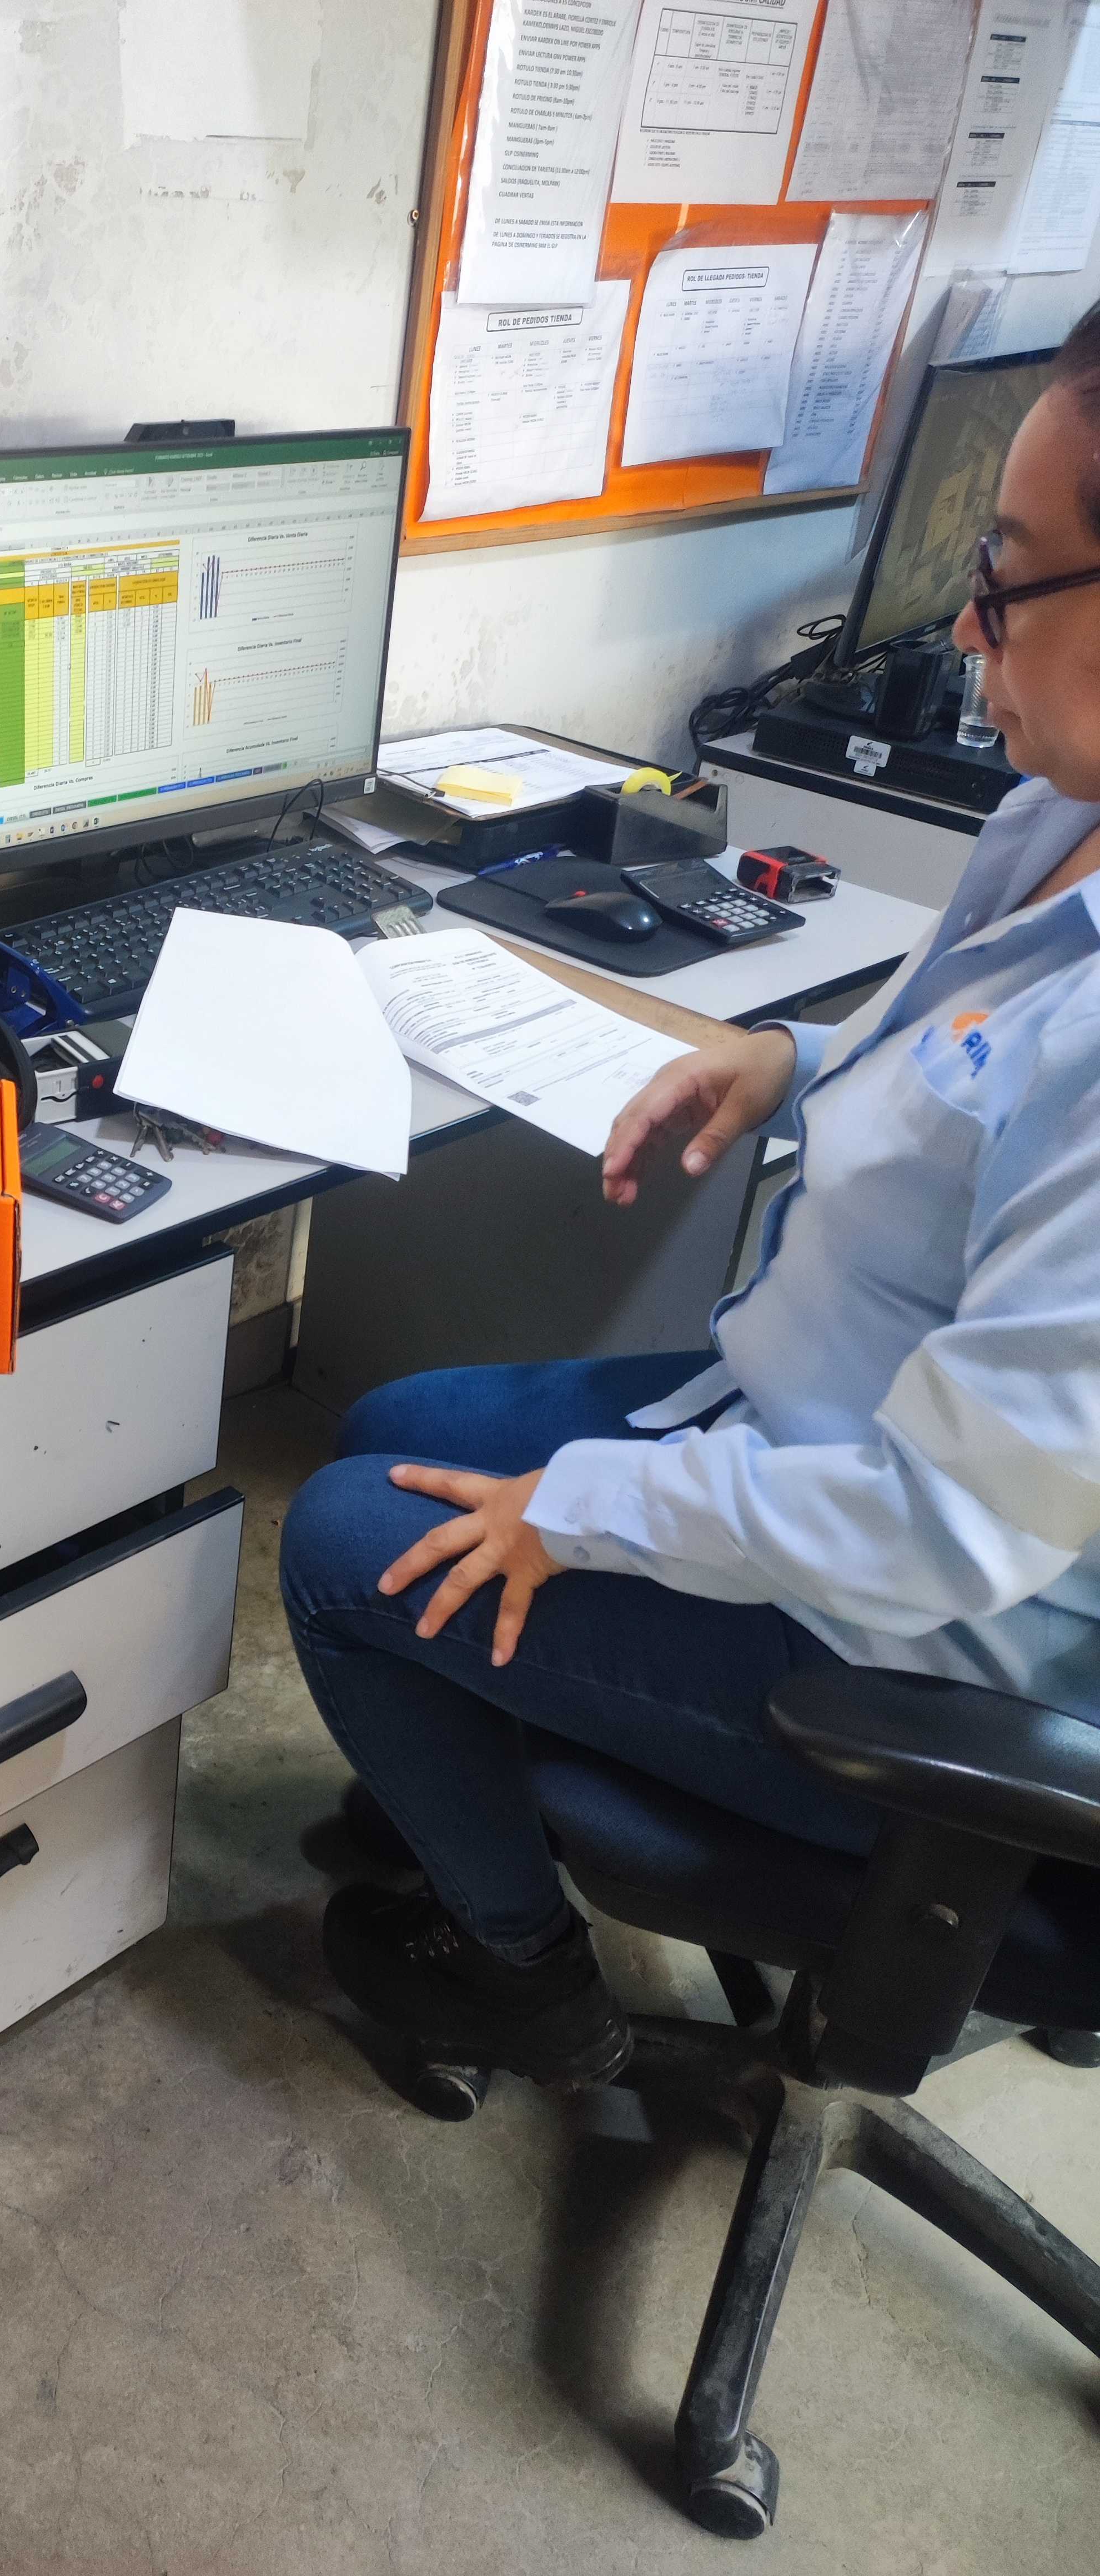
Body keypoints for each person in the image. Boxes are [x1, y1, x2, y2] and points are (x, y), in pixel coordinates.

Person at [280, 306, 1100, 2091]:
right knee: (391, 1429)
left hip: (916, 1644)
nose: (969, 626)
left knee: (342, 1548)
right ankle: (457, 1770)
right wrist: (790, 1062)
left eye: (1009, 572)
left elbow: (938, 1536)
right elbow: (970, 1056)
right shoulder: (1059, 820)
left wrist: (583, 1515)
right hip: (808, 1425)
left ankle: (518, 1976)